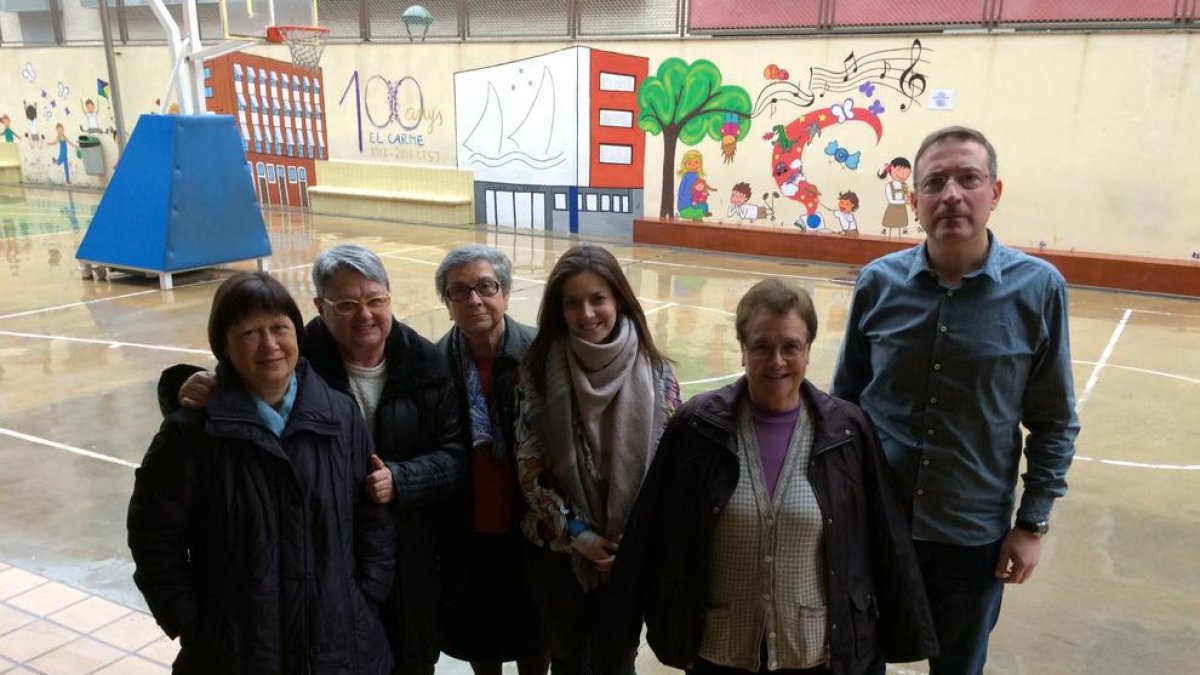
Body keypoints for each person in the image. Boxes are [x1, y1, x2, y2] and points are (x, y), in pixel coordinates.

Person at [831, 126, 1080, 675]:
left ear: (995, 192)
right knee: (855, 659)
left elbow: (1054, 421)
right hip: (878, 524)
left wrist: (1031, 524)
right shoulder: (877, 284)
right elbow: (842, 407)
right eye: (934, 182)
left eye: (969, 179)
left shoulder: (1039, 290)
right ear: (914, 199)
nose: (951, 195)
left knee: (959, 667)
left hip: (973, 535)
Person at [600, 278, 938, 675]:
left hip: (815, 652)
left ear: (808, 350)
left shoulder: (847, 431)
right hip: (720, 650)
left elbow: (886, 539)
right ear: (743, 351)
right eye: (761, 346)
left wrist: (898, 635)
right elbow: (649, 530)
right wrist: (618, 630)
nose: (776, 361)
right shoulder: (697, 427)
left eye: (790, 346)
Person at [162, 244, 466, 675]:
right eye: (347, 304)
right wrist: (189, 622)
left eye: (375, 300)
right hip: (296, 588)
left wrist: (401, 481)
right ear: (320, 307)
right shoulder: (300, 365)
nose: (365, 314)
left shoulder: (426, 363)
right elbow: (234, 385)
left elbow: (456, 458)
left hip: (401, 563)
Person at [129, 271, 396, 674]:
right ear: (224, 347)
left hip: (341, 649)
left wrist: (365, 596)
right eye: (250, 333)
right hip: (237, 654)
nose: (270, 345)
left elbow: (371, 516)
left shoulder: (339, 415)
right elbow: (152, 540)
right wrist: (194, 626)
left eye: (279, 329)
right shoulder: (192, 434)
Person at [515, 243, 681, 675]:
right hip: (556, 550)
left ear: (618, 300)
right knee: (569, 659)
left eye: (597, 299)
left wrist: (634, 539)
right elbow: (529, 468)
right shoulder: (536, 370)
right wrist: (579, 534)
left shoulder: (658, 373)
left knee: (617, 659)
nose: (586, 313)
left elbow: (669, 473)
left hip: (629, 555)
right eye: (573, 302)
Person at [433, 245, 550, 675]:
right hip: (465, 529)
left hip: (532, 527)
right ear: (447, 305)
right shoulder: (434, 366)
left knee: (534, 637)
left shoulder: (540, 354)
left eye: (485, 286)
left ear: (506, 292)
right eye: (459, 291)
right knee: (481, 638)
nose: (474, 299)